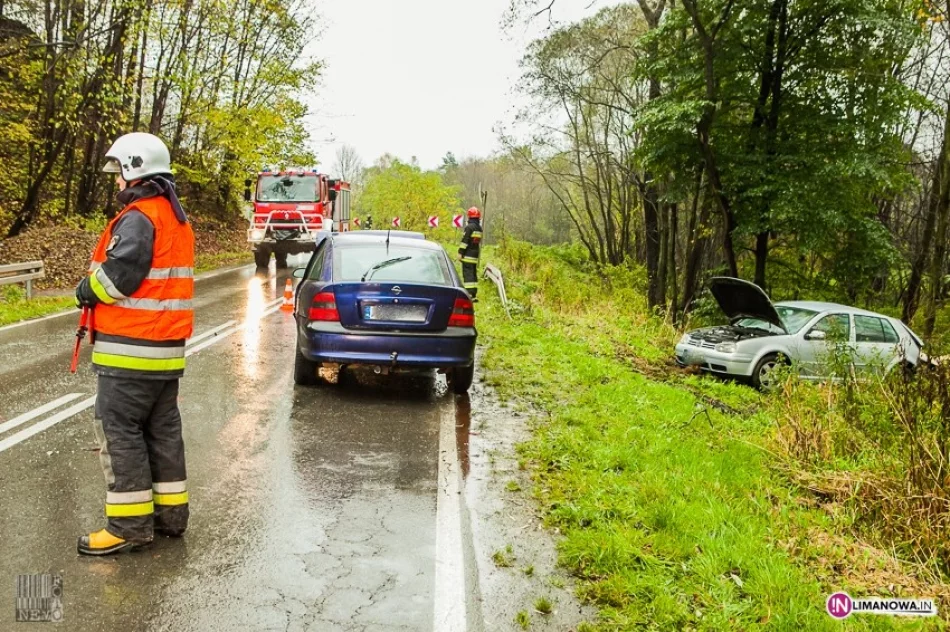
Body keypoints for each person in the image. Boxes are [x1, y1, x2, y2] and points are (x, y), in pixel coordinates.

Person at [74, 132, 194, 555]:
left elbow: (117, 279)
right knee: (162, 433)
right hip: (164, 354)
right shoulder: (171, 216)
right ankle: (169, 518)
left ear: (133, 169)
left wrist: (86, 289)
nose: (116, 183)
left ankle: (127, 526)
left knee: (120, 432)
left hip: (129, 352)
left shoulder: (139, 217)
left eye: (118, 173)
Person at [458, 207, 483, 300]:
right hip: (475, 255)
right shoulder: (479, 228)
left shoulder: (469, 227)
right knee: (473, 274)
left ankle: (469, 294)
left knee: (468, 274)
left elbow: (465, 241)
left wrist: (460, 252)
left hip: (467, 255)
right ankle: (474, 293)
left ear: (469, 216)